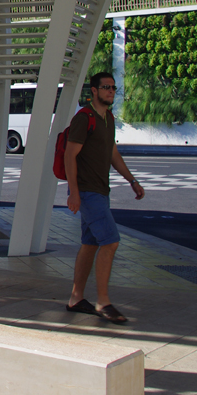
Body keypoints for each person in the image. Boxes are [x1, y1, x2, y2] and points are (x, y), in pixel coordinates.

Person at [64, 72, 145, 323]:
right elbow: (70, 156)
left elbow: (113, 154)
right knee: (110, 241)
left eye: (113, 87)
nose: (111, 91)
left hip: (101, 191)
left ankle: (76, 298)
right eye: (106, 87)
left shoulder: (108, 118)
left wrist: (132, 180)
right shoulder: (84, 118)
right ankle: (103, 302)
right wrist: (74, 193)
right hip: (88, 192)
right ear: (94, 91)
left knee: (90, 244)